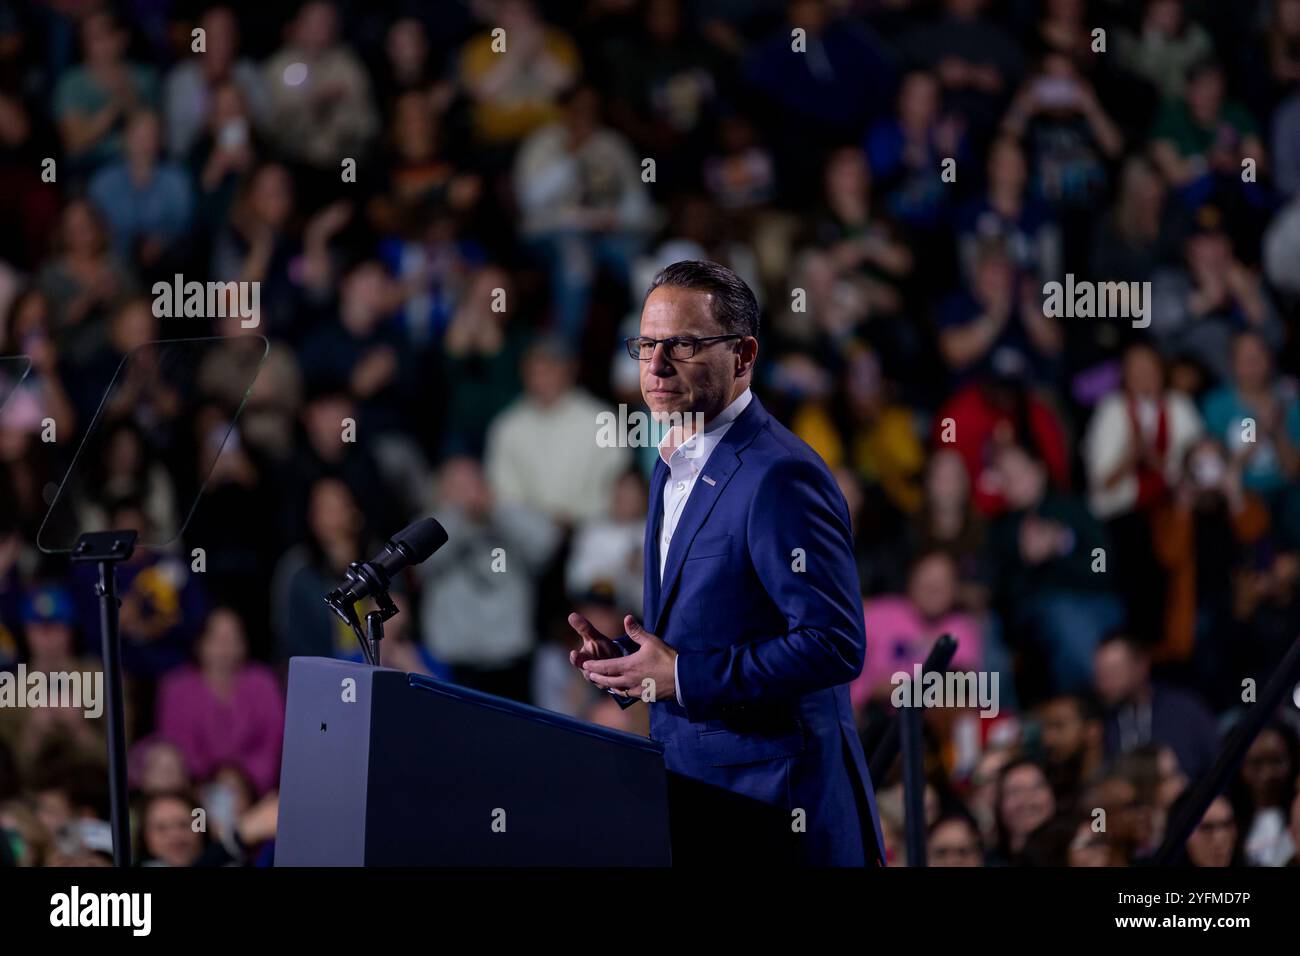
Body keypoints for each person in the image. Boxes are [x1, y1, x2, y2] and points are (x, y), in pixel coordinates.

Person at [568, 260, 883, 866]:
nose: (656, 367)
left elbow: (834, 643)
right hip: (699, 794)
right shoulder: (669, 461)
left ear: (743, 355)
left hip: (778, 807)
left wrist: (683, 675)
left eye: (683, 344)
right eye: (646, 345)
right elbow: (707, 632)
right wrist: (638, 669)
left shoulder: (780, 474)